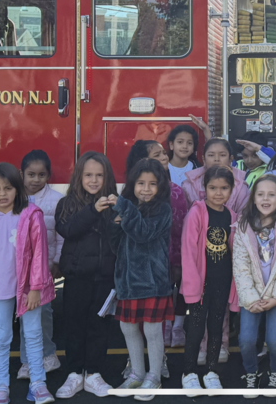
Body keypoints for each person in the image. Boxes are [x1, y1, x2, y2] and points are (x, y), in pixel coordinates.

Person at [0, 163, 56, 404]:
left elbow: (39, 254)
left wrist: (36, 288)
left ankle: (38, 383)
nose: (2, 194)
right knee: (1, 337)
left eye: (8, 188)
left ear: (17, 188)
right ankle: (1, 386)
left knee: (33, 335)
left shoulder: (30, 215)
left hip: (28, 290)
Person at [54, 152, 120, 398]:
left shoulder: (116, 204)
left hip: (105, 278)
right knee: (74, 325)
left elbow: (119, 239)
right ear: (79, 177)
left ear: (107, 177)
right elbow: (68, 230)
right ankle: (74, 373)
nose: (94, 180)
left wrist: (119, 217)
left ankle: (93, 373)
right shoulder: (67, 203)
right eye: (88, 175)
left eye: (99, 175)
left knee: (99, 326)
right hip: (76, 277)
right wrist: (93, 210)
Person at [234, 175, 276, 397]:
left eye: (271, 195)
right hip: (251, 294)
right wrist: (251, 298)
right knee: (246, 340)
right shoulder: (243, 227)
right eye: (260, 194)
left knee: (275, 340)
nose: (265, 199)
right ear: (253, 198)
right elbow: (241, 266)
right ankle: (251, 372)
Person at [113, 158, 175, 401]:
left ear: (161, 186)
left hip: (153, 282)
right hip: (127, 282)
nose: (146, 189)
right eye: (141, 183)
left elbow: (142, 233)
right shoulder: (128, 207)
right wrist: (114, 223)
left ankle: (154, 376)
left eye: (152, 184)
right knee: (127, 327)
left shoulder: (163, 210)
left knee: (152, 329)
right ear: (132, 184)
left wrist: (124, 209)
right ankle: (137, 373)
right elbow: (115, 243)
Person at [180, 167, 240, 395]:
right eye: (213, 188)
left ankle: (211, 371)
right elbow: (188, 251)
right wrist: (192, 286)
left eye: (224, 188)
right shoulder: (197, 213)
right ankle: (189, 373)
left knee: (217, 328)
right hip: (200, 286)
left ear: (231, 190)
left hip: (222, 283)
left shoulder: (232, 216)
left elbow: (234, 251)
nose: (218, 193)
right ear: (204, 188)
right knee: (195, 329)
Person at [126, 140, 188, 354]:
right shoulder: (129, 196)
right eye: (157, 155)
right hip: (137, 271)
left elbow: (179, 232)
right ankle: (137, 363)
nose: (164, 157)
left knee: (158, 315)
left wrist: (177, 262)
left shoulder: (176, 192)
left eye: (163, 153)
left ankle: (160, 358)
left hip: (166, 263)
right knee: (137, 321)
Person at [16, 150, 63, 380]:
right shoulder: (14, 199)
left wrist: (56, 261)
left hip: (44, 268)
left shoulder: (56, 200)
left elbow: (61, 235)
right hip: (20, 270)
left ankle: (48, 354)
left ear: (48, 175)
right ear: (21, 174)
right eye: (31, 174)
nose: (36, 179)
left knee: (44, 312)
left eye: (41, 175)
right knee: (24, 313)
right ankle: (27, 360)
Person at [182, 138, 251, 212]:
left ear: (230, 159)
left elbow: (244, 216)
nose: (216, 159)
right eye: (211, 155)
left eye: (222, 155)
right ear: (204, 159)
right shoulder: (189, 186)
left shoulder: (241, 188)